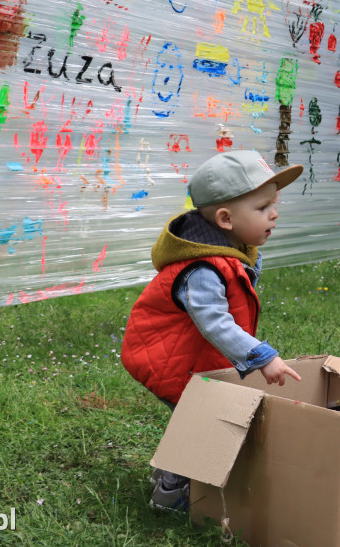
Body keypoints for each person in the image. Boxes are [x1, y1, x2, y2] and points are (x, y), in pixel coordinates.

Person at [120, 150, 303, 509]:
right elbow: (214, 321)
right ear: (225, 218)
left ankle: (167, 475)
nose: (275, 213)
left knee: (194, 421)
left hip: (188, 358)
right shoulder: (202, 267)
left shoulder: (230, 248)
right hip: (167, 361)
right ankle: (171, 495)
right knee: (201, 426)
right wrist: (260, 356)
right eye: (264, 207)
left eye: (274, 205)